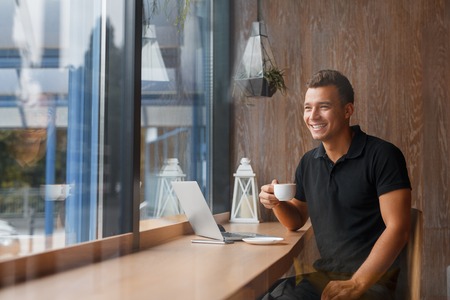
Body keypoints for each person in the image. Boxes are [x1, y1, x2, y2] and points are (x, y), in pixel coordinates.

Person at [259, 69, 411, 300]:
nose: (313, 116)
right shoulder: (308, 162)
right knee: (263, 293)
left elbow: (398, 229)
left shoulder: (383, 155)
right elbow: (296, 220)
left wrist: (357, 283)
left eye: (324, 107)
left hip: (373, 283)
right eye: (308, 107)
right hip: (327, 277)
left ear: (348, 110)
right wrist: (277, 203)